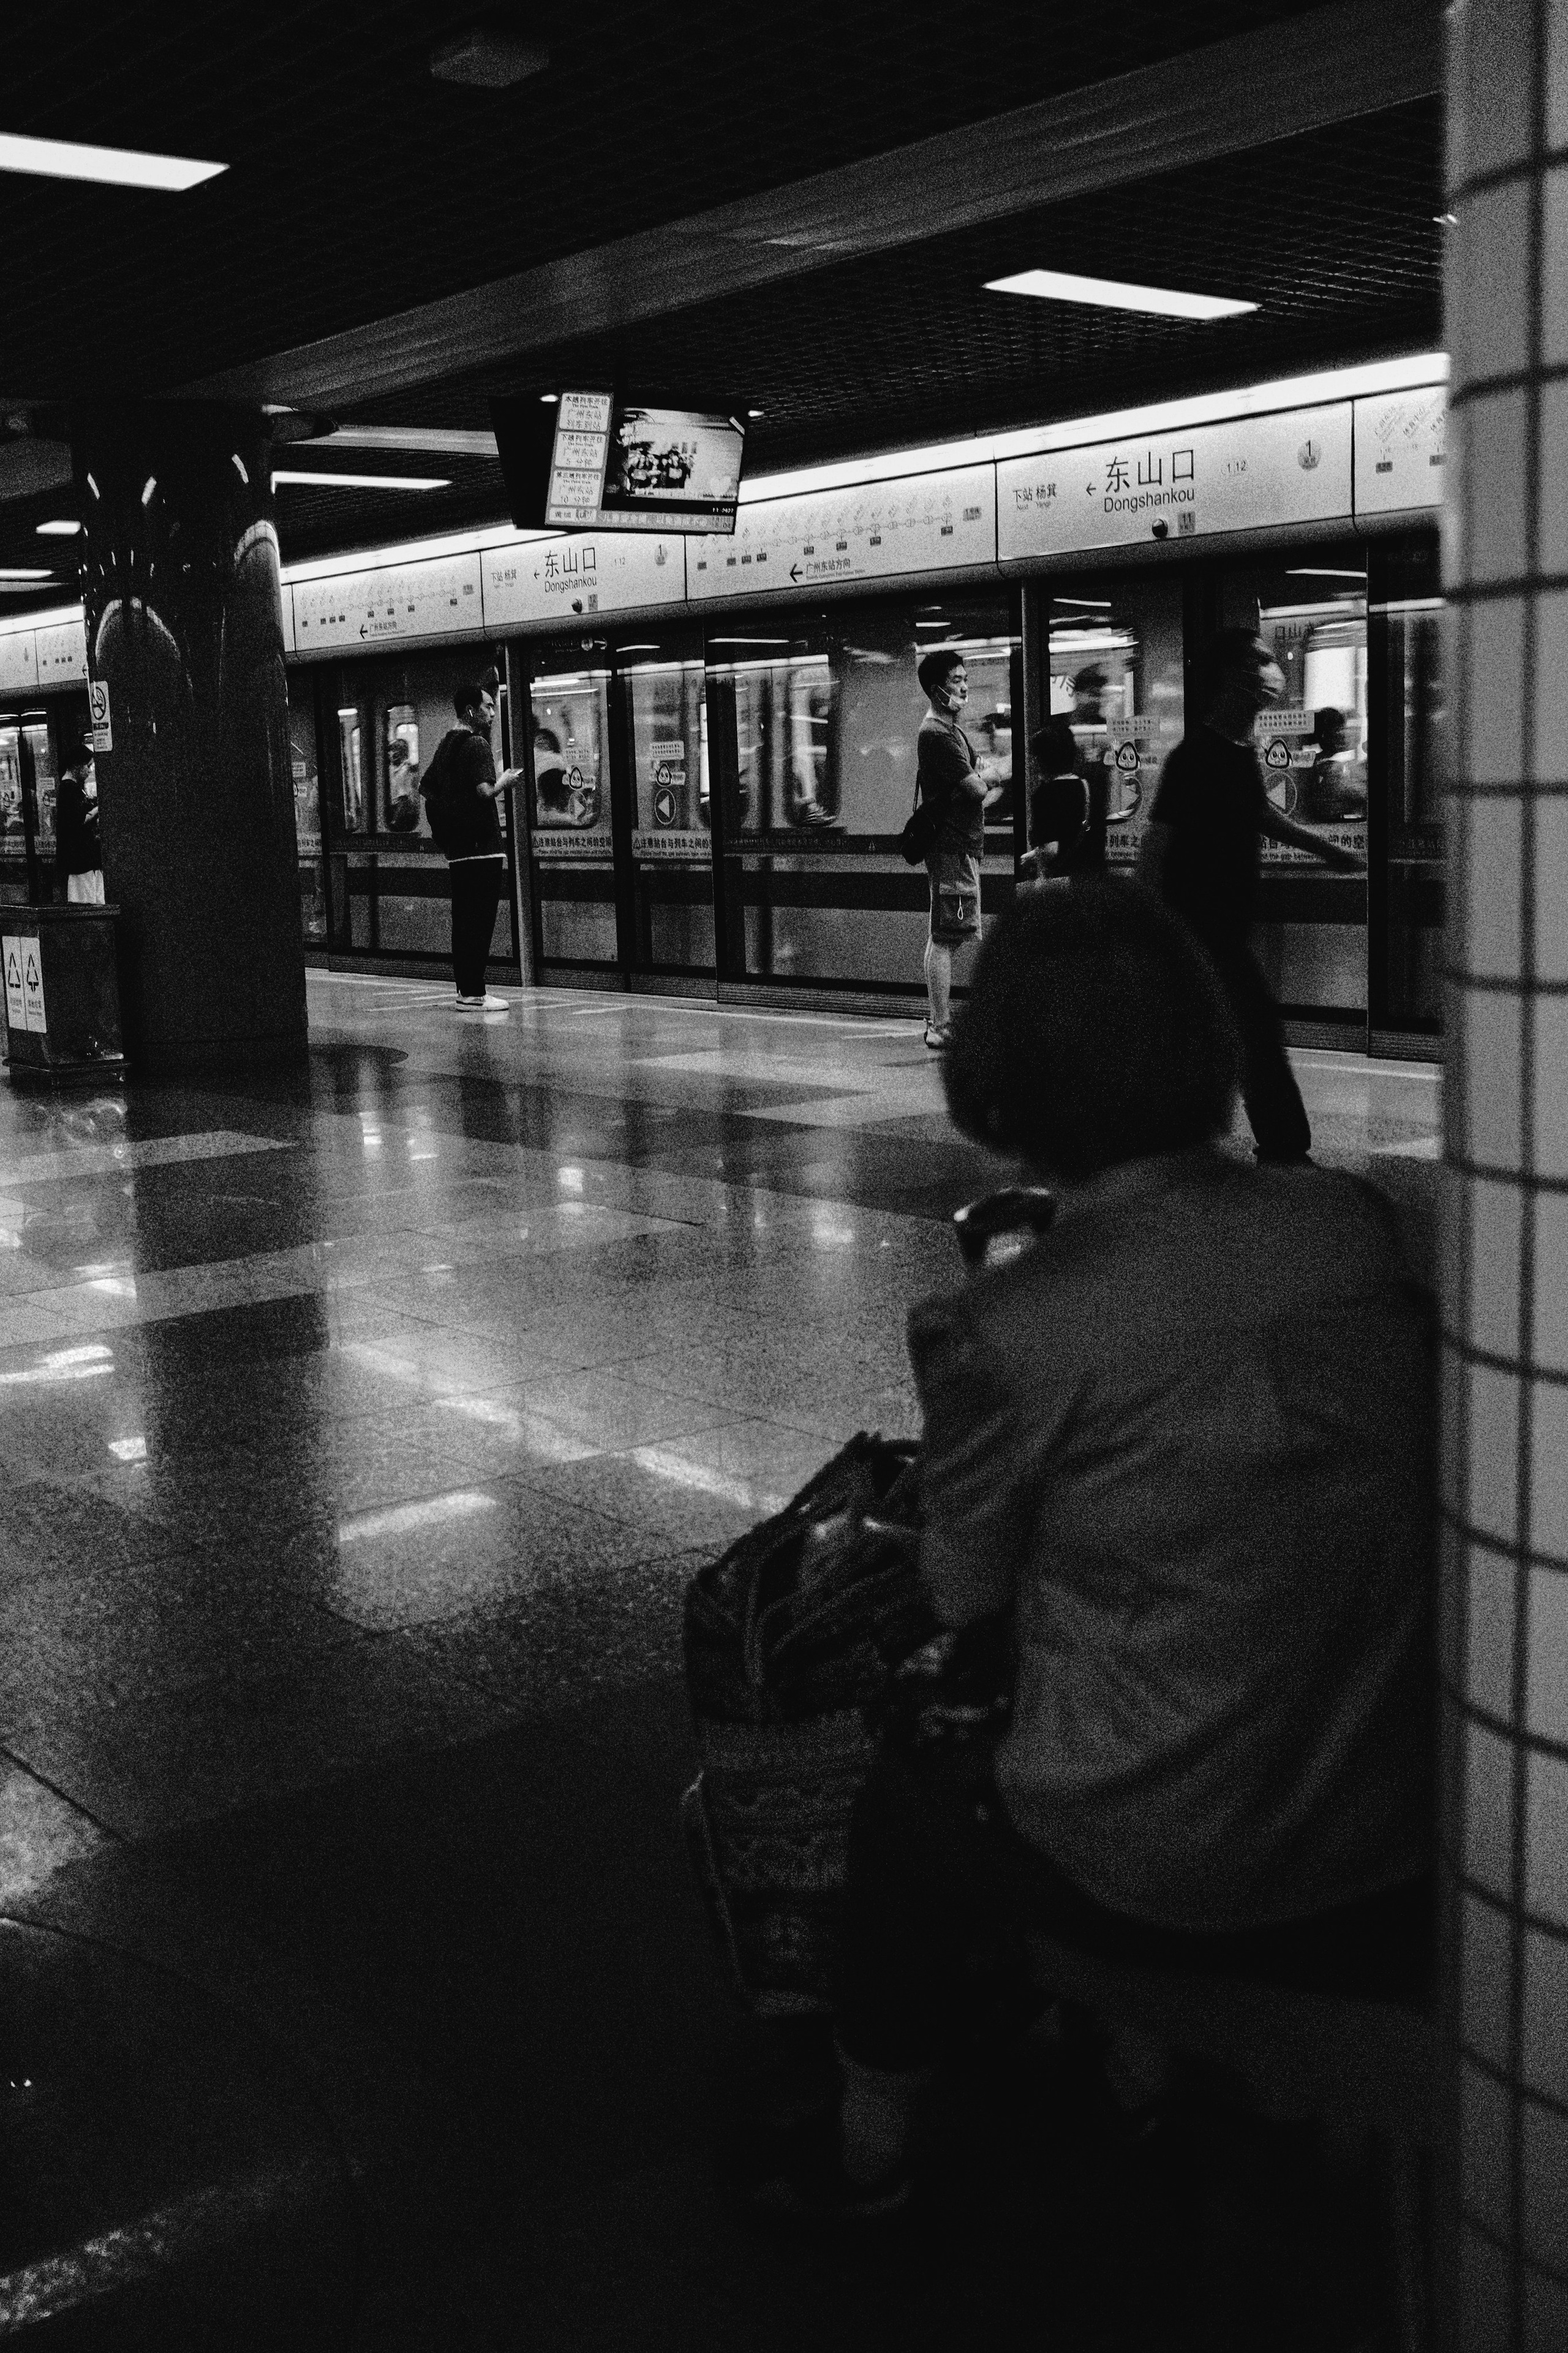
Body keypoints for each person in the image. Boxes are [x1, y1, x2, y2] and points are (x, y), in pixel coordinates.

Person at [760, 882, 1433, 2218]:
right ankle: (1132, 2063)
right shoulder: (1346, 1226)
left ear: (1002, 1070)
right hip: (1386, 1814)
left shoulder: (1004, 1325)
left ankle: (869, 2145)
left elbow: (961, 1592)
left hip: (1157, 1856)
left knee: (907, 1776)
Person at [1137, 630, 1365, 1164]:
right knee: (1255, 1035)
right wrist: (1144, 927)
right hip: (1197, 929)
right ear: (1233, 678)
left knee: (1215, 1037)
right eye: (1259, 661)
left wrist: (1324, 848)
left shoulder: (1240, 751)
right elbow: (1156, 845)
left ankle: (1176, 1138)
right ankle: (1284, 1145)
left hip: (1220, 927)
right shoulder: (1196, 755)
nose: (1271, 670)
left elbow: (1259, 815)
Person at [915, 648, 1002, 1050]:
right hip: (951, 846)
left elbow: (978, 782)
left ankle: (941, 1019)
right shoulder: (937, 734)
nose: (964, 686)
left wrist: (986, 776)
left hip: (960, 844)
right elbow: (975, 787)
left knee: (949, 931)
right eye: (955, 680)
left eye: (965, 678)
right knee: (947, 934)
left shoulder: (953, 730)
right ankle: (940, 1024)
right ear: (936, 689)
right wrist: (993, 774)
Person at [423, 670, 524, 1014]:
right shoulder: (477, 744)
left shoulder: (445, 745)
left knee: (463, 919)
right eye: (489, 707)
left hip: (458, 851)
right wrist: (504, 781)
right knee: (480, 921)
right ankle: (476, 993)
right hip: (483, 848)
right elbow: (484, 792)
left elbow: (429, 790)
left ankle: (466, 989)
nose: (493, 713)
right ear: (470, 711)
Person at [1025, 664, 1108, 878]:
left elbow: (1050, 850)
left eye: (1099, 695)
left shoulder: (1104, 728)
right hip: (1081, 835)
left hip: (1085, 830)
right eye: (1091, 694)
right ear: (1077, 694)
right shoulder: (1060, 728)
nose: (1096, 700)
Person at [56, 750, 104, 904]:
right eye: (87, 766)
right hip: (80, 859)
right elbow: (78, 820)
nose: (89, 771)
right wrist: (98, 809)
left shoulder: (72, 788)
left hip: (83, 859)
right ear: (76, 766)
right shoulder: (69, 789)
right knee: (86, 900)